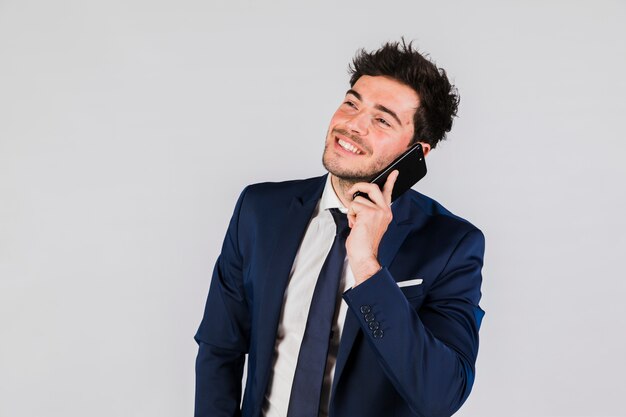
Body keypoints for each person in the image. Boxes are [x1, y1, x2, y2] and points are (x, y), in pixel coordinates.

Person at [194, 39, 485, 417]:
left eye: (382, 119)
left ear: (417, 152)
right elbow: (220, 346)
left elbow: (440, 396)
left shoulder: (451, 246)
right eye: (351, 103)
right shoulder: (260, 211)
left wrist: (367, 267)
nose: (352, 125)